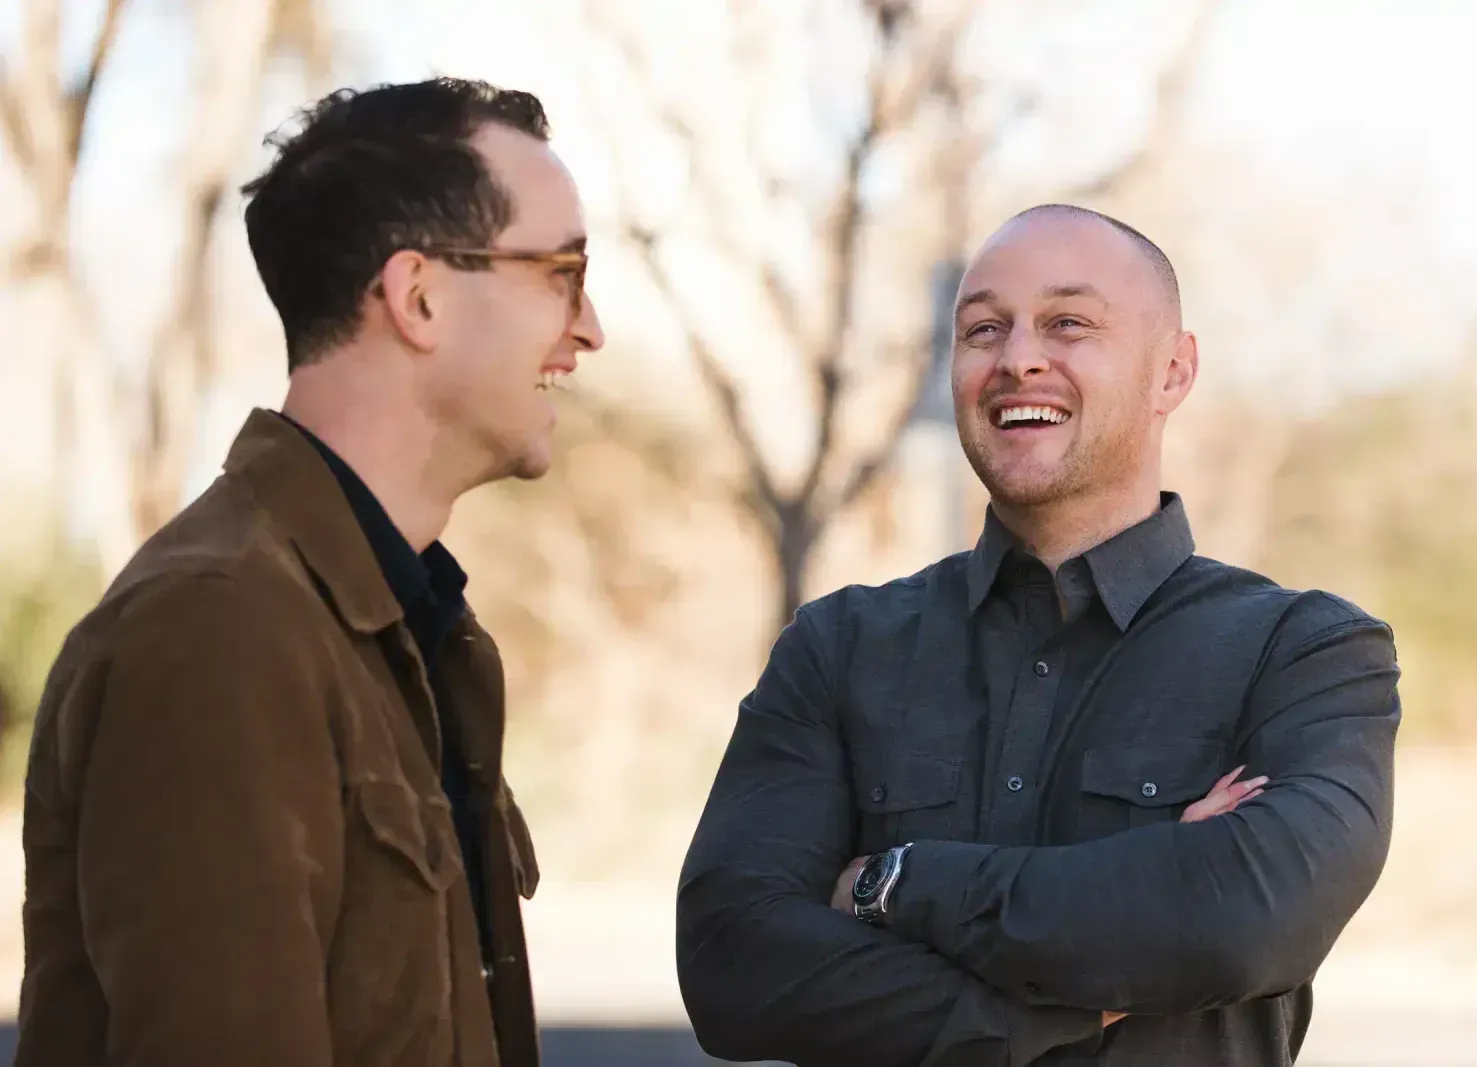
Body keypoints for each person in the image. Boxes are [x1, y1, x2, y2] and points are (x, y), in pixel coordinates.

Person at [677, 204, 1399, 1066]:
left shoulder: (1305, 654)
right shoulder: (838, 647)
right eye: (984, 327)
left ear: (1173, 371)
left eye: (1068, 322)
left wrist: (888, 882)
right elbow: (733, 967)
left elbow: (1245, 917)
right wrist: (1067, 989)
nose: (1017, 357)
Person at [16, 77, 604, 1067]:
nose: (589, 328)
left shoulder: (411, 629)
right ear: (419, 296)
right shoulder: (217, 631)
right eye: (561, 273)